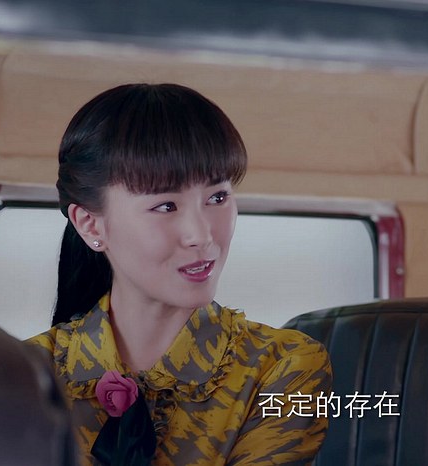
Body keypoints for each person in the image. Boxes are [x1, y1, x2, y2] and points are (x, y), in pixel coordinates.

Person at [28, 83, 332, 466]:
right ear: (90, 225)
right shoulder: (25, 374)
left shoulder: (281, 367)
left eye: (217, 198)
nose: (201, 235)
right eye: (166, 206)